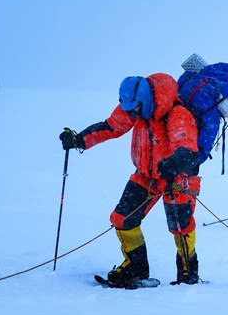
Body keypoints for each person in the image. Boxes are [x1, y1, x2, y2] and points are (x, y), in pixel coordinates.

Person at [59, 73, 202, 287]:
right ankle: (136, 268)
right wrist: (79, 139)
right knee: (122, 219)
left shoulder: (177, 113)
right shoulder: (136, 107)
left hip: (177, 178)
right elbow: (111, 127)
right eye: (129, 110)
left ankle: (188, 274)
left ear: (144, 101)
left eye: (134, 110)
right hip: (146, 175)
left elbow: (187, 149)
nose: (131, 114)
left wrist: (172, 164)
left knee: (181, 227)